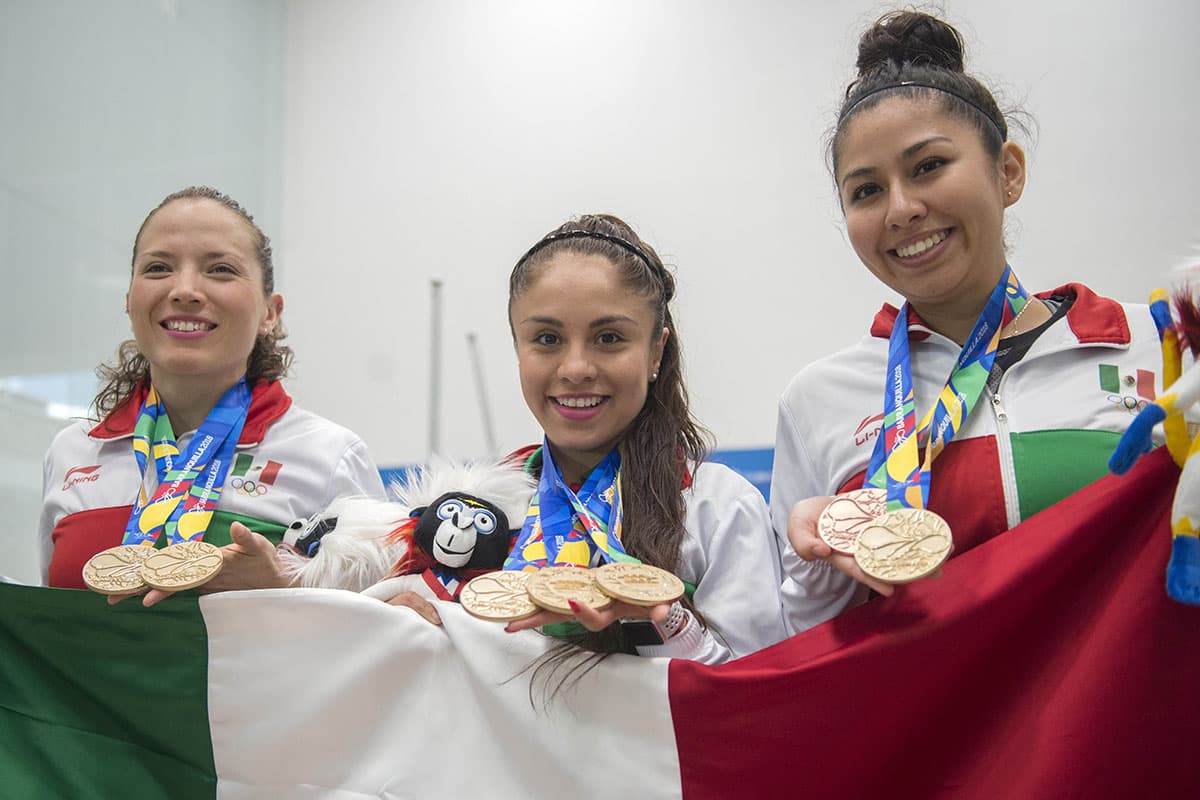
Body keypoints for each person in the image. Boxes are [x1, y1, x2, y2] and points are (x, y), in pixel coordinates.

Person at [772, 10, 1172, 633]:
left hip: (1124, 697)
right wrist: (816, 563)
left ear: (1007, 172)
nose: (901, 209)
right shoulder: (818, 399)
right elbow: (803, 645)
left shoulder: (1154, 344)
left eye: (928, 166)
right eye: (866, 190)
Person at [39, 186, 386, 602]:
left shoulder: (331, 458)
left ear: (270, 313)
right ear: (129, 302)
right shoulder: (74, 452)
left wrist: (285, 589)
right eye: (158, 268)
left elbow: (391, 624)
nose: (184, 290)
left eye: (220, 269)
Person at [501, 214, 787, 664]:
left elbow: (758, 688)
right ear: (518, 347)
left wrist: (666, 620)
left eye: (608, 337)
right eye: (548, 338)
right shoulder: (485, 504)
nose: (575, 368)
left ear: (655, 351)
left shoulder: (716, 507)